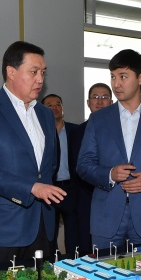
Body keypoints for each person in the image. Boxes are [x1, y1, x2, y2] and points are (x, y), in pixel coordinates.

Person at [0, 41, 65, 266]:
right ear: (11, 72)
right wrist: (31, 187)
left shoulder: (45, 115)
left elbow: (50, 166)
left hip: (44, 225)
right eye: (33, 72)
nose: (40, 79)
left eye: (43, 72)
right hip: (3, 229)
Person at [77, 49, 141, 251]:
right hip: (106, 215)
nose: (116, 84)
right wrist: (110, 174)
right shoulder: (98, 119)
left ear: (140, 78)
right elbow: (84, 164)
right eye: (113, 77)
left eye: (123, 77)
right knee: (104, 269)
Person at [68, 83, 113, 256]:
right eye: (95, 97)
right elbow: (77, 169)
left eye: (104, 97)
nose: (100, 102)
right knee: (87, 249)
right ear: (88, 102)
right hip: (86, 199)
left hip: (115, 197)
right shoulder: (77, 132)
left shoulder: (121, 131)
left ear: (111, 102)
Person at [42, 93, 78, 255]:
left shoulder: (75, 130)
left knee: (73, 231)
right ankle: (52, 261)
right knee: (50, 232)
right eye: (49, 105)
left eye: (58, 104)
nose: (54, 107)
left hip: (71, 187)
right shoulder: (40, 131)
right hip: (49, 188)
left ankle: (73, 261)